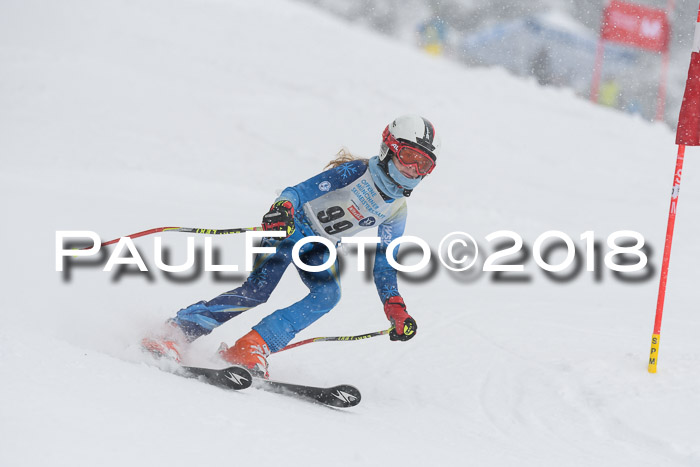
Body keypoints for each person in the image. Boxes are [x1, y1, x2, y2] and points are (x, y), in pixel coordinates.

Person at [142, 114, 442, 378]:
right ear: (389, 148)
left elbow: (385, 264)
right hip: (290, 228)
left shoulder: (397, 210)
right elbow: (297, 191)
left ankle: (251, 347)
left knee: (327, 295)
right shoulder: (356, 172)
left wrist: (395, 307)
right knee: (257, 291)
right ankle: (176, 331)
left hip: (319, 247)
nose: (413, 170)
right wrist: (283, 207)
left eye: (424, 165)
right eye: (408, 157)